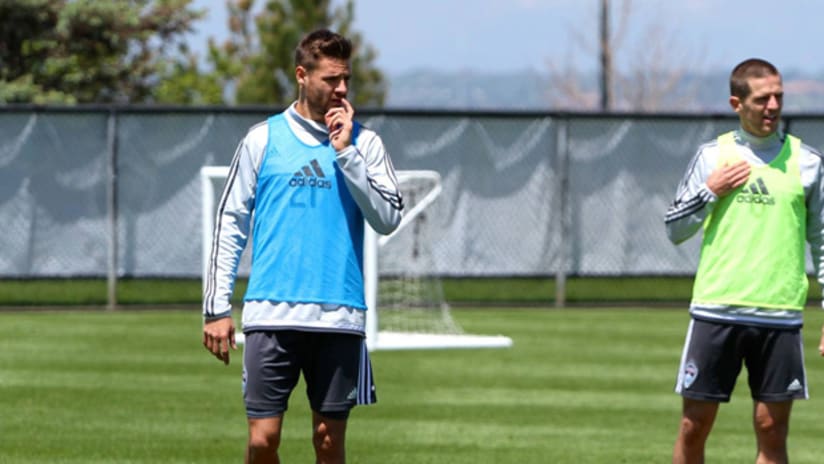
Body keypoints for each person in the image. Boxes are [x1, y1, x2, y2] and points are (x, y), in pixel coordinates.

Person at [201, 29, 403, 464]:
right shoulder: (262, 139)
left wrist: (346, 153)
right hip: (270, 314)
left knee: (329, 445)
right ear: (302, 75)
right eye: (331, 79)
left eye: (346, 78)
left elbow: (388, 218)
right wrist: (217, 309)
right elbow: (230, 222)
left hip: (339, 316)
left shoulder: (365, 143)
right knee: (262, 441)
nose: (342, 88)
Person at [665, 58, 824, 464]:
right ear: (737, 103)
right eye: (762, 98)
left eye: (778, 97)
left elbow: (823, 242)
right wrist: (710, 190)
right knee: (693, 426)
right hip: (716, 311)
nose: (772, 106)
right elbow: (675, 229)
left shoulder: (807, 163)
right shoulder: (711, 156)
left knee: (772, 430)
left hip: (780, 317)